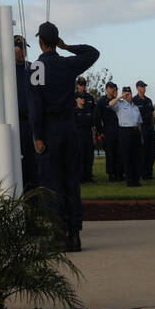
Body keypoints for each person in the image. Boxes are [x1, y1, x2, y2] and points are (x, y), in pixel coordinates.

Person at [27, 22, 100, 252]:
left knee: (51, 183)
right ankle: (74, 234)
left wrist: (37, 135)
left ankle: (56, 235)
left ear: (40, 41)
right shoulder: (67, 64)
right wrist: (67, 46)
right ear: (56, 40)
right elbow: (93, 52)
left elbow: (35, 105)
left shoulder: (36, 68)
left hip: (49, 129)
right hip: (70, 128)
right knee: (71, 181)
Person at [13, 36, 37, 190]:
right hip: (14, 124)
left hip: (32, 122)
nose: (23, 51)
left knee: (33, 164)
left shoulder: (33, 69)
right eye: (19, 47)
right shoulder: (4, 70)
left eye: (24, 48)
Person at [110, 86, 143, 187]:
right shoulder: (119, 105)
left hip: (135, 132)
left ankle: (136, 180)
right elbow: (110, 104)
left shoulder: (135, 107)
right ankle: (129, 181)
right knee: (127, 157)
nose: (128, 96)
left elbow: (139, 123)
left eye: (129, 93)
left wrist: (141, 137)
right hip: (125, 131)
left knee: (136, 158)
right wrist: (120, 96)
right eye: (126, 94)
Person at [94, 81, 123, 182]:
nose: (112, 90)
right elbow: (97, 117)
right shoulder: (102, 101)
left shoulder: (118, 101)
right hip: (108, 129)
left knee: (119, 152)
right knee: (110, 153)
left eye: (114, 88)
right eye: (111, 88)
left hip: (118, 128)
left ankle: (119, 173)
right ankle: (111, 174)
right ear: (106, 89)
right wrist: (100, 131)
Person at [133, 81, 155, 179]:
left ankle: (149, 173)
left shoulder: (148, 100)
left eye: (144, 87)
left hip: (149, 129)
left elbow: (151, 115)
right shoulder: (134, 100)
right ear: (137, 88)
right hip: (140, 128)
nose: (144, 88)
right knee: (142, 152)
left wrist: (153, 128)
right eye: (142, 87)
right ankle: (142, 173)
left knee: (151, 153)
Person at [75, 78, 96, 182]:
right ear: (77, 85)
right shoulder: (72, 97)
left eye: (84, 84)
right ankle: (80, 176)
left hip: (88, 131)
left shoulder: (90, 98)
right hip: (78, 132)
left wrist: (93, 134)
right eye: (80, 84)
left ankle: (88, 175)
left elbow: (93, 116)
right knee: (80, 155)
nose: (82, 86)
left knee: (89, 155)